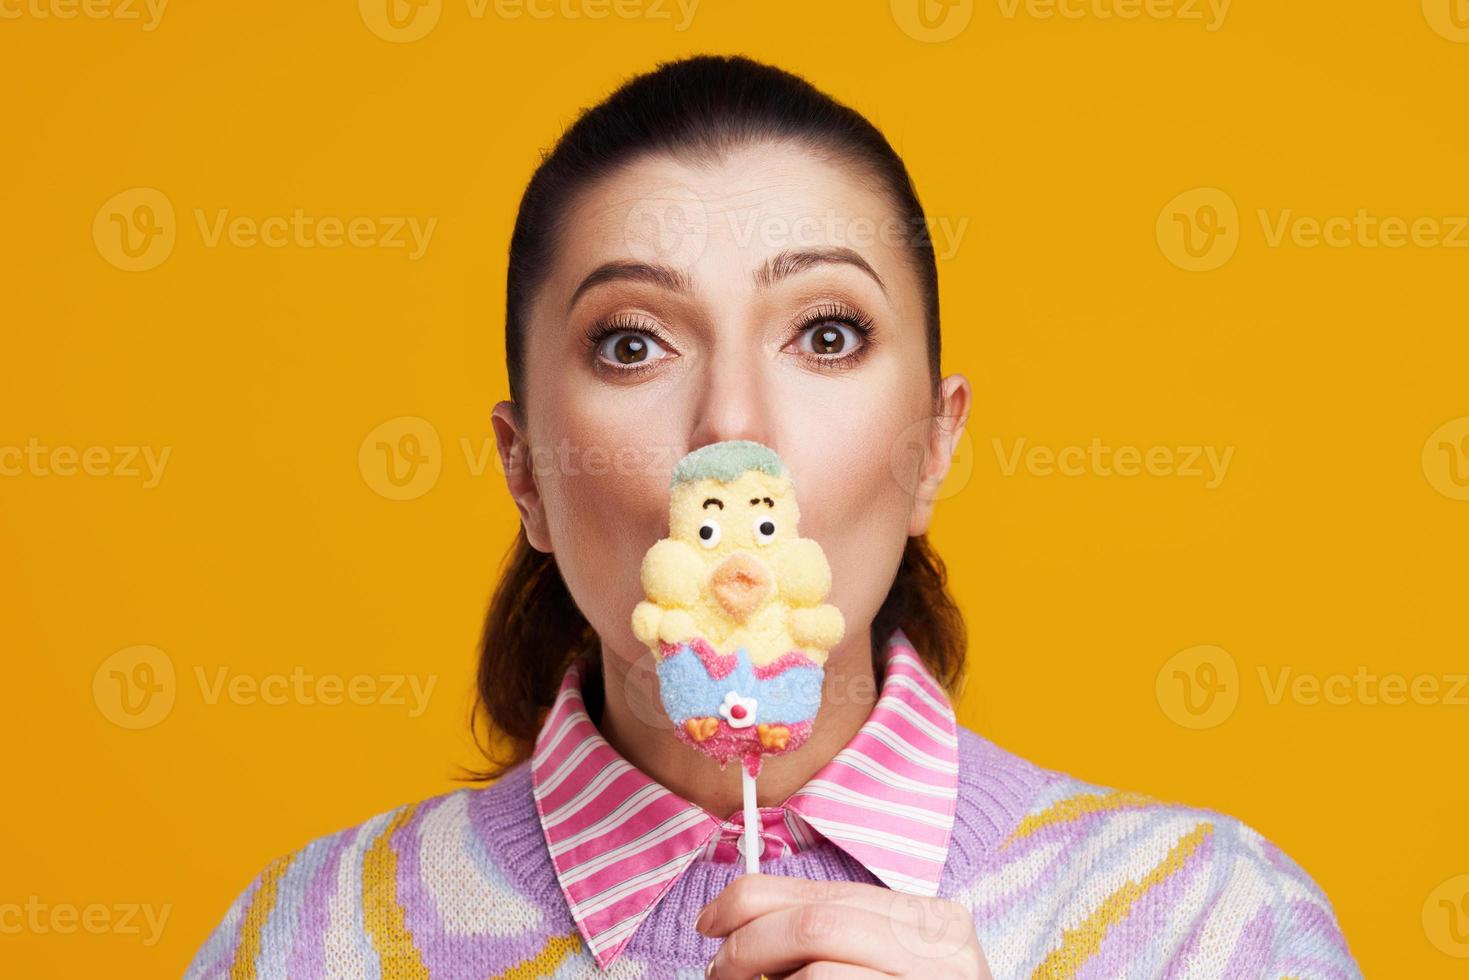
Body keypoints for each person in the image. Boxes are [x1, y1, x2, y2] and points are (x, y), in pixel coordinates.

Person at [185, 55, 1361, 979]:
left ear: (930, 446)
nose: (732, 429)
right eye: (631, 342)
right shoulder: (308, 938)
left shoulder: (1209, 920)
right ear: (526, 470)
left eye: (826, 332)